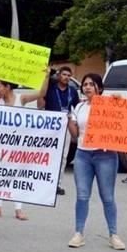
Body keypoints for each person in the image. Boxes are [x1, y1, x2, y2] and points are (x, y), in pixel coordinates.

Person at [67, 73, 125, 250]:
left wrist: (119, 101)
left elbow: (124, 118)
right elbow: (75, 135)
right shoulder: (79, 107)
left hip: (105, 155)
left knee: (107, 197)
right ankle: (79, 233)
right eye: (85, 84)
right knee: (82, 196)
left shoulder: (110, 104)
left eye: (91, 84)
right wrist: (69, 121)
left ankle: (113, 235)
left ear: (99, 87)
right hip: (83, 155)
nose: (87, 87)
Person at [0, 79, 39, 220]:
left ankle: (18, 209)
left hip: (18, 145)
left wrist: (46, 77)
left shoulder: (21, 99)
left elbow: (42, 93)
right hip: (1, 145)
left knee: (17, 177)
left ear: (8, 87)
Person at [38, 66, 80, 195]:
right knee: (48, 155)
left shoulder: (72, 91)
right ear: (59, 75)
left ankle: (57, 184)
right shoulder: (50, 89)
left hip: (65, 125)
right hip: (50, 126)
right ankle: (43, 183)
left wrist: (74, 123)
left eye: (69, 75)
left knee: (63, 156)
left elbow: (76, 108)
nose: (66, 77)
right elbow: (40, 104)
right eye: (64, 74)